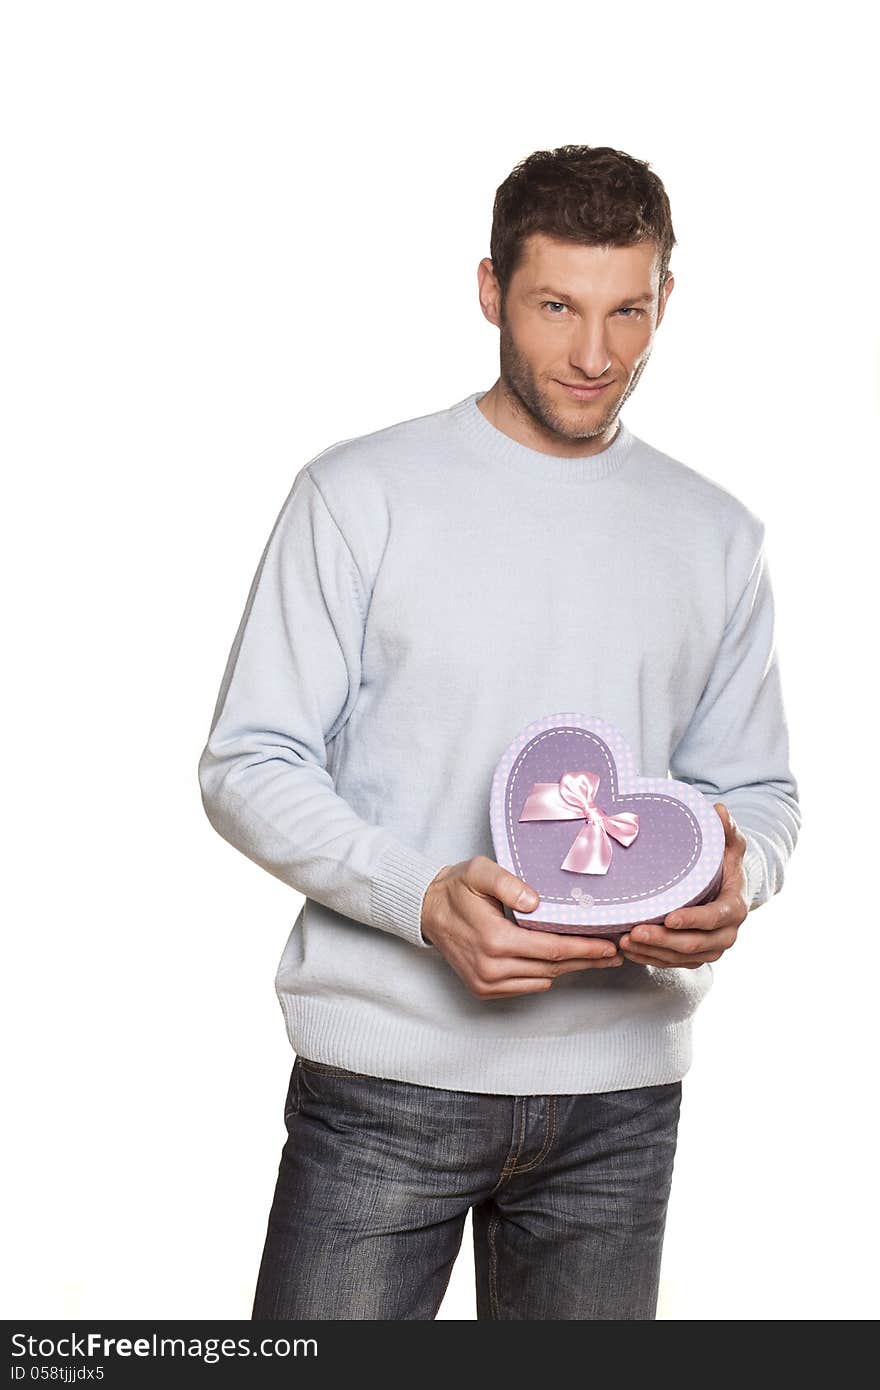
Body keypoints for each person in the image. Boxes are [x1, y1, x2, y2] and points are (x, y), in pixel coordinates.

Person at [197, 143, 801, 1320]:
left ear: (665, 298)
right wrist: (418, 894)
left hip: (619, 1103)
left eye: (628, 310)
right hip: (385, 1081)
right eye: (556, 308)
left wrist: (742, 872)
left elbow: (759, 791)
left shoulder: (714, 532)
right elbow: (249, 760)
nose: (594, 355)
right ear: (489, 290)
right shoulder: (358, 494)